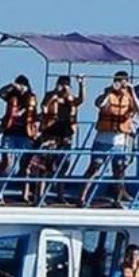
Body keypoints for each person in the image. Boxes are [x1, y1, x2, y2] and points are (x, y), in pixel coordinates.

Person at [79, 71, 139, 206]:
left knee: (119, 170)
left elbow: (138, 109)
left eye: (123, 81)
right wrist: (108, 92)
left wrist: (132, 91)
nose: (120, 84)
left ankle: (118, 199)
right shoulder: (108, 94)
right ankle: (82, 197)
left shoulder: (129, 97)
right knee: (94, 167)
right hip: (103, 139)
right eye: (118, 80)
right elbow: (99, 104)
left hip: (120, 141)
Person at [35, 74, 86, 202]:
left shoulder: (71, 99)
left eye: (66, 85)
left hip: (66, 136)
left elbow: (81, 100)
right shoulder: (50, 96)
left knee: (63, 166)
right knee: (44, 166)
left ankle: (60, 195)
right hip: (50, 135)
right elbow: (44, 108)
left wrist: (81, 84)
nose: (64, 87)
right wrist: (54, 95)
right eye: (62, 84)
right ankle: (40, 196)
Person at [0, 74, 38, 200]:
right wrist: (11, 86)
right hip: (10, 133)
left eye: (23, 85)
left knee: (26, 165)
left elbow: (31, 110)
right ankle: (0, 194)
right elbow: (0, 93)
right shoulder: (11, 95)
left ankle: (25, 194)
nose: (21, 88)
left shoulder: (31, 97)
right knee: (7, 165)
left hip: (25, 134)